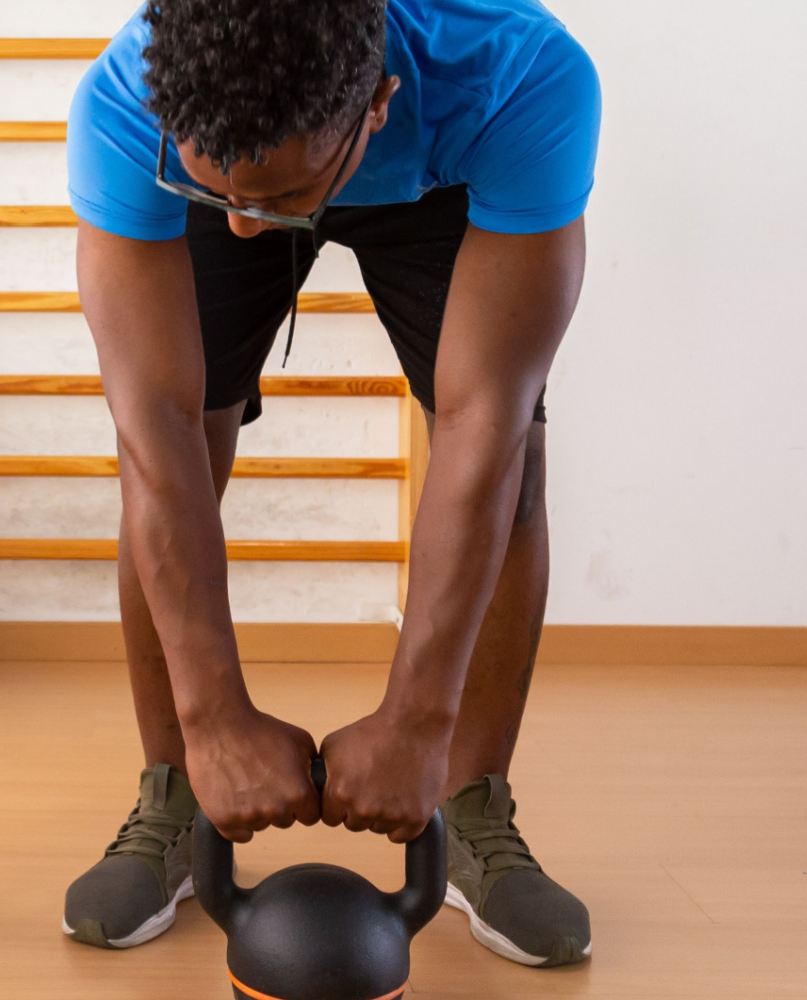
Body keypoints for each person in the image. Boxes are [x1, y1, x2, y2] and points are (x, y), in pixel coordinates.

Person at [58, 0, 600, 969]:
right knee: (176, 458)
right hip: (244, 144)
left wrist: (415, 718)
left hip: (446, 169)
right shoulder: (125, 102)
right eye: (213, 187)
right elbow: (156, 429)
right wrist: (213, 715)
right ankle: (173, 791)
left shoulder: (517, 76)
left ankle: (467, 803)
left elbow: (482, 422)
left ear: (380, 104)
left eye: (264, 201)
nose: (237, 225)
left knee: (512, 466)